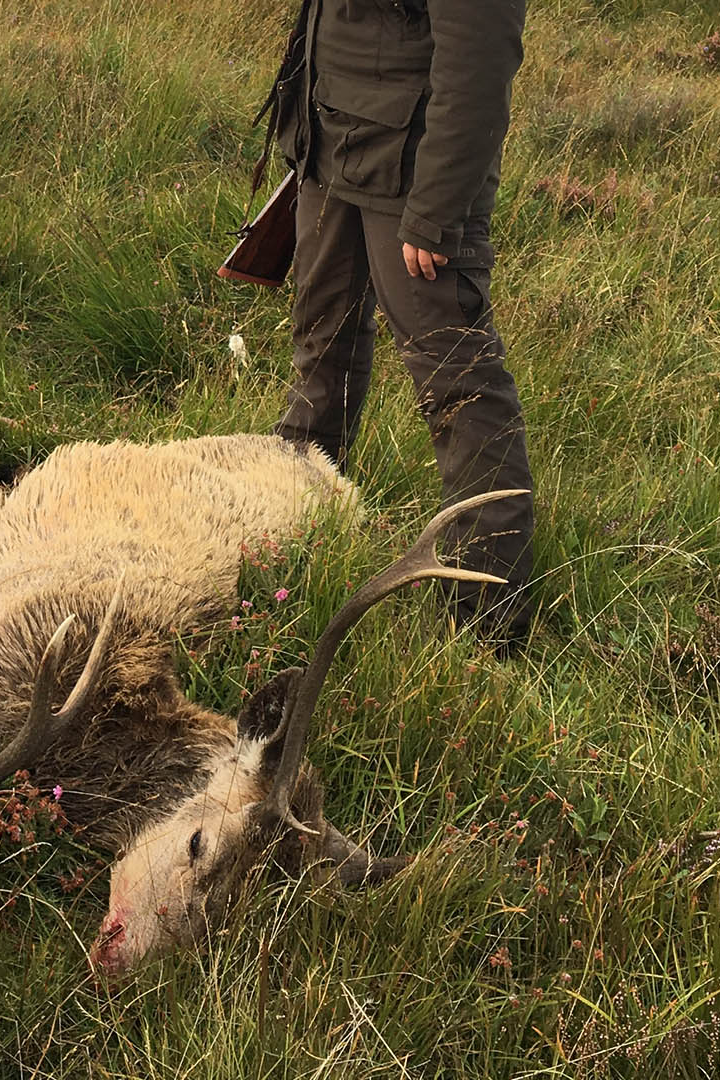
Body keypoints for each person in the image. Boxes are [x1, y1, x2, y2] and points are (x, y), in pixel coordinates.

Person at [265, 0, 535, 648]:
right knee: (320, 349)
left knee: (459, 388)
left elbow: (478, 65)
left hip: (415, 183)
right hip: (330, 151)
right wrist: (302, 132)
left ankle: (484, 616)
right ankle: (293, 536)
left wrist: (436, 211)